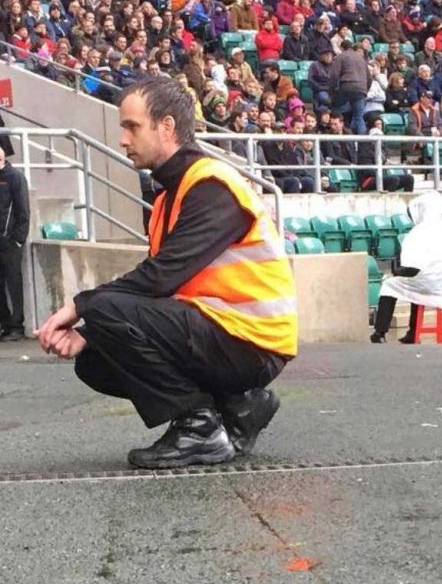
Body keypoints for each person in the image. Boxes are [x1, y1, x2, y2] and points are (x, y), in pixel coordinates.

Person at [36, 79, 297, 468]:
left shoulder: (212, 184)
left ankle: (200, 428)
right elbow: (157, 292)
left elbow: (160, 278)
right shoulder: (168, 197)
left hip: (252, 342)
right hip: (221, 332)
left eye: (132, 127)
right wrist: (90, 335)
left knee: (104, 308)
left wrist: (80, 307)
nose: (123, 139)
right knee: (94, 361)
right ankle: (238, 406)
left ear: (167, 127)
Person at [370, 191, 442, 344]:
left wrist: (396, 272)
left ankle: (380, 332)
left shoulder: (420, 231)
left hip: (434, 285)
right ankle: (412, 332)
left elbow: (413, 268)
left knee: (390, 285)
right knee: (417, 284)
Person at [0, 148, 30, 341]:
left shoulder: (14, 177)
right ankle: (5, 323)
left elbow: (23, 209)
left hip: (10, 240)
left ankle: (16, 326)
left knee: (13, 283)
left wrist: (19, 239)